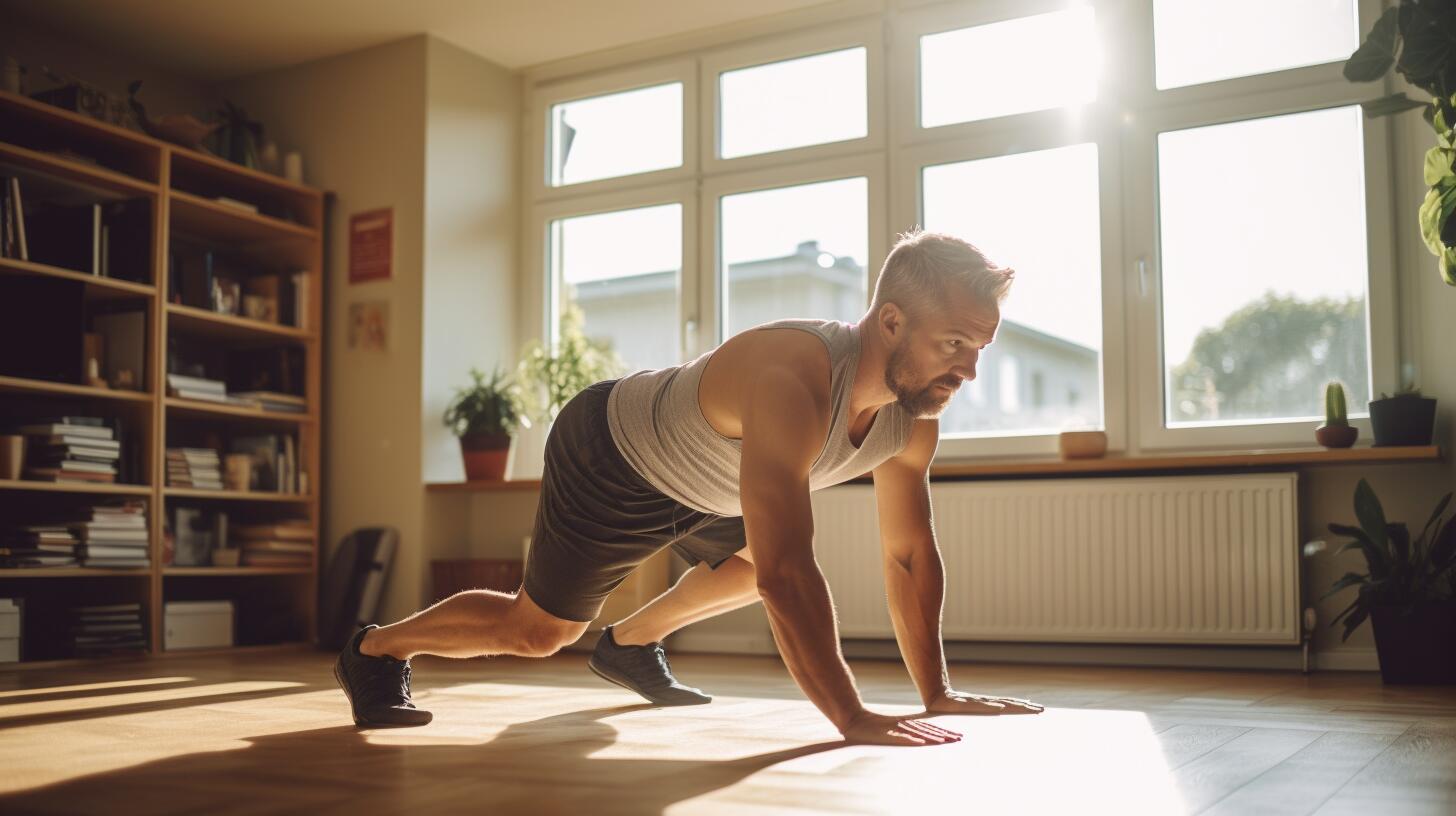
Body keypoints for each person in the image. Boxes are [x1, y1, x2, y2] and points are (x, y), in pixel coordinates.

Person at [334, 229, 1045, 745]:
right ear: (891, 321)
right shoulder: (794, 378)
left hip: (712, 485)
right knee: (539, 633)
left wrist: (937, 693)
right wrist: (850, 716)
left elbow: (909, 555)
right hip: (614, 456)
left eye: (979, 349)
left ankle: (631, 643)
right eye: (954, 344)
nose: (969, 371)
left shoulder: (911, 418)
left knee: (743, 570)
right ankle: (376, 648)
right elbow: (790, 573)